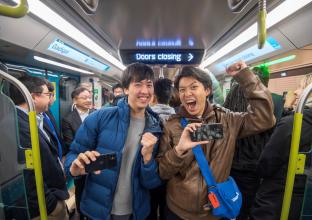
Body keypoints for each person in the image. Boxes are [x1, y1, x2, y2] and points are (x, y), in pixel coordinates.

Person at [157, 61, 275, 220]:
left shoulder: (227, 120)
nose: (187, 94)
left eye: (193, 87)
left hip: (215, 210)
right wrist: (178, 151)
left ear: (207, 90)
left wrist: (246, 77)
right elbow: (163, 171)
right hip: (178, 211)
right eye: (182, 89)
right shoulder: (172, 125)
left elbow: (264, 118)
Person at [64, 63, 162, 220]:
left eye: (149, 85)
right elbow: (73, 154)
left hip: (136, 211)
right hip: (98, 209)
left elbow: (151, 182)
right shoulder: (100, 117)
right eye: (138, 84)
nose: (145, 91)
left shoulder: (156, 127)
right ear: (126, 89)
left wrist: (148, 158)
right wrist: (73, 168)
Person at [222, 65, 283, 220]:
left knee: (229, 204)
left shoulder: (233, 94)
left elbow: (225, 122)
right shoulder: (272, 101)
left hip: (230, 161)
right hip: (253, 164)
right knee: (246, 206)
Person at [250, 73, 312, 220]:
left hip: (277, 200)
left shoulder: (293, 124)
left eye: (301, 87)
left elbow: (267, 163)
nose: (296, 92)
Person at [10, 75, 69, 219]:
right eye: (47, 94)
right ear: (33, 97)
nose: (50, 99)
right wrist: (50, 204)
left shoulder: (38, 118)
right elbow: (28, 174)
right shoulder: (19, 125)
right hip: (45, 206)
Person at [62, 86, 95, 220]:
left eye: (89, 97)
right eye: (84, 97)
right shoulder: (68, 119)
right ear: (75, 100)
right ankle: (81, 213)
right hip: (79, 159)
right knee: (80, 188)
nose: (88, 100)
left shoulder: (97, 113)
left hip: (97, 158)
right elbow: (70, 143)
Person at [147, 78, 175, 220]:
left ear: (154, 96)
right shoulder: (178, 119)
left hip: (148, 171)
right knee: (166, 208)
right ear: (171, 96)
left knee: (150, 208)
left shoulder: (145, 116)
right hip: (171, 173)